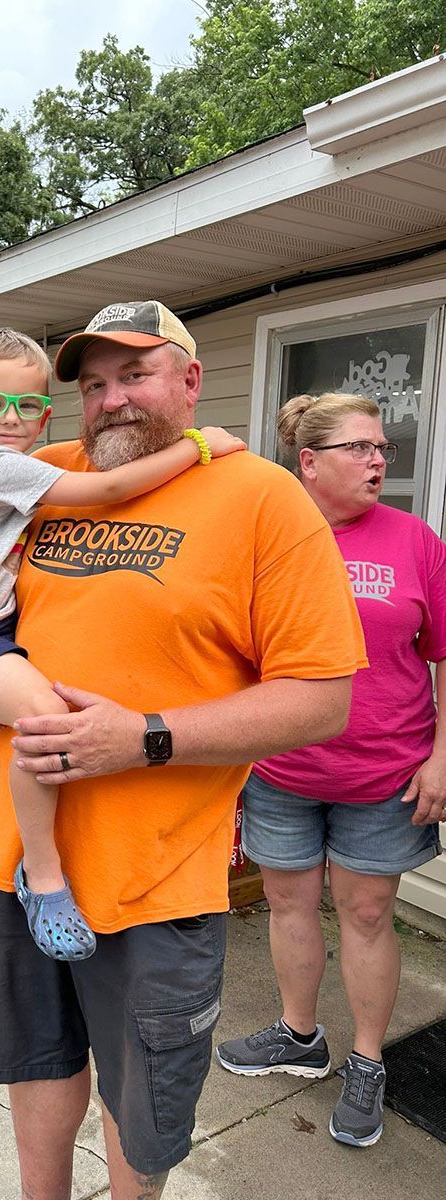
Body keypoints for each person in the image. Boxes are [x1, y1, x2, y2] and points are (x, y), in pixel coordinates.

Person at [0, 299, 368, 1200]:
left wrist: (146, 737)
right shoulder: (38, 471)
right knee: (39, 1065)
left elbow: (323, 700)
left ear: (191, 381)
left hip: (156, 880)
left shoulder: (263, 497)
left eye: (136, 375)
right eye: (92, 384)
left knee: (143, 1105)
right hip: (22, 858)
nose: (112, 399)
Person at [0, 327, 245, 962]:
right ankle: (43, 878)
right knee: (45, 723)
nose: (9, 420)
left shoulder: (37, 464)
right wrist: (203, 445)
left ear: (46, 415)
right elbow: (109, 491)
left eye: (28, 407)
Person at [216, 392, 445, 1149]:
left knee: (368, 915)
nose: (379, 460)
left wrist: (445, 755)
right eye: (361, 448)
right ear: (308, 462)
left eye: (385, 449)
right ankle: (299, 1033)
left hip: (386, 772)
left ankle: (369, 1061)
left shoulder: (416, 541)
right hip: (281, 768)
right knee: (287, 906)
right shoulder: (265, 537)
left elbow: (443, 654)